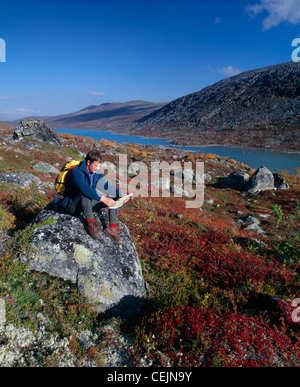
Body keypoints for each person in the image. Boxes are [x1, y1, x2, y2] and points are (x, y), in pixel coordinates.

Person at [63, 150, 130, 244]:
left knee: (115, 196)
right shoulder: (76, 171)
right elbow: (84, 188)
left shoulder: (96, 172)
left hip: (86, 204)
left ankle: (112, 228)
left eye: (99, 166)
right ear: (88, 162)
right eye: (96, 165)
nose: (97, 168)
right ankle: (91, 225)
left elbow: (105, 186)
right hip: (72, 205)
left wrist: (121, 194)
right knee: (84, 194)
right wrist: (103, 199)